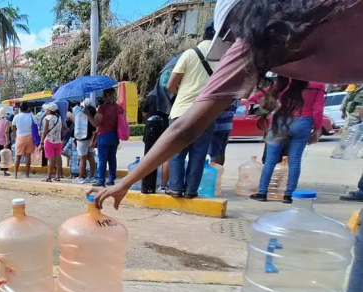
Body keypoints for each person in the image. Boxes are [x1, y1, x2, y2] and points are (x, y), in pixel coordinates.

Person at [86, 1, 363, 208]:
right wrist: (125, 183)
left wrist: (125, 183)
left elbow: (183, 127)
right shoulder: (260, 45)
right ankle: (188, 190)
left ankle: (180, 190)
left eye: (233, 35)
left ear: (256, 19)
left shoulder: (335, 12)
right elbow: (186, 128)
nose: (233, 44)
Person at [247, 77, 325, 203]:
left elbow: (255, 97)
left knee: (270, 160)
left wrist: (271, 103)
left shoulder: (284, 81)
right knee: (294, 160)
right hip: (303, 122)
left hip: (280, 121)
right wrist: (317, 130)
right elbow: (318, 110)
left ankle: (262, 193)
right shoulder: (318, 84)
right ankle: (289, 195)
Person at [162, 21, 218, 197]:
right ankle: (191, 190)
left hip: (182, 112)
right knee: (199, 154)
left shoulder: (189, 54)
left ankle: (176, 188)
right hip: (206, 113)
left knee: (177, 152)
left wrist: (182, 92)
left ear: (203, 35)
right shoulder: (223, 59)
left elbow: (171, 84)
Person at [89, 88, 121, 187]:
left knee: (102, 159)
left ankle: (101, 180)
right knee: (112, 158)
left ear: (106, 96)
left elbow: (95, 123)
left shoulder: (102, 108)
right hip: (114, 135)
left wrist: (88, 115)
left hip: (103, 136)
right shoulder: (119, 108)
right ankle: (111, 179)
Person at [209, 100, 238, 166]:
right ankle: (220, 170)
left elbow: (218, 114)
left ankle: (216, 173)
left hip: (217, 126)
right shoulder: (236, 98)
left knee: (214, 153)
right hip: (228, 126)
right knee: (221, 151)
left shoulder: (225, 97)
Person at [74, 104, 98, 184]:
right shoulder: (93, 117)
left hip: (82, 140)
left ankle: (80, 177)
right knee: (91, 157)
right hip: (91, 138)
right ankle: (91, 176)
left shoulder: (81, 116)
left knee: (82, 159)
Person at [12, 102, 36, 178]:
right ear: (27, 108)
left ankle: (15, 174)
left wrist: (15, 135)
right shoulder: (31, 116)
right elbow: (35, 125)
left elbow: (13, 127)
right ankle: (27, 174)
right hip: (30, 137)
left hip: (20, 137)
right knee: (28, 156)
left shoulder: (16, 116)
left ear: (20, 108)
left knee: (17, 156)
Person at [41, 102, 63, 182]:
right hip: (58, 141)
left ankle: (49, 177)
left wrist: (41, 142)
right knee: (58, 159)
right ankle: (58, 176)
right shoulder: (58, 118)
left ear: (49, 110)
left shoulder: (47, 118)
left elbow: (45, 131)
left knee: (50, 160)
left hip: (49, 141)